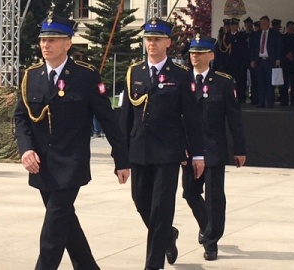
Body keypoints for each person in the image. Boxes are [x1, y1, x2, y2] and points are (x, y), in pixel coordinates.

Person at [14, 13, 130, 270]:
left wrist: (121, 159)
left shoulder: (85, 76)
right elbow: (21, 119)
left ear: (68, 43)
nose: (46, 45)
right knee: (66, 223)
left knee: (53, 228)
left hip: (71, 164)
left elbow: (108, 120)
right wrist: (26, 150)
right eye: (43, 40)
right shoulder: (31, 76)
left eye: (53, 40)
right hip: (41, 163)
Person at [119, 18, 205, 270]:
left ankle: (152, 265)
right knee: (140, 201)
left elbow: (191, 118)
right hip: (138, 150)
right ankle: (168, 235)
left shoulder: (180, 75)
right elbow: (125, 118)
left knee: (161, 209)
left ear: (168, 42)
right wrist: (121, 157)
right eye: (148, 39)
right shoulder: (134, 72)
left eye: (157, 39)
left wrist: (198, 154)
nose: (151, 44)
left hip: (168, 152)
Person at [182, 33, 246, 261]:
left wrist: (240, 148)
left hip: (214, 148)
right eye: (192, 53)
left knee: (214, 197)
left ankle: (211, 241)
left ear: (211, 55)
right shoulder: (182, 79)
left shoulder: (223, 82)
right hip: (189, 149)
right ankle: (206, 225)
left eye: (200, 53)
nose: (195, 57)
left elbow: (234, 119)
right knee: (189, 192)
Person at [249, 16, 282, 108]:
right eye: (261, 23)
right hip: (259, 61)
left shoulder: (274, 33)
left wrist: (278, 59)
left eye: (264, 23)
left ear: (268, 23)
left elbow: (279, 46)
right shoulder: (256, 34)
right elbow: (253, 48)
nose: (262, 25)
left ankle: (270, 102)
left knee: (269, 82)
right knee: (260, 82)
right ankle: (261, 102)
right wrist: (252, 59)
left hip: (269, 61)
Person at [224, 18, 249, 104]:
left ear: (237, 26)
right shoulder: (226, 36)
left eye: (234, 25)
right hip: (228, 63)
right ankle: (228, 98)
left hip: (239, 63)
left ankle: (241, 98)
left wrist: (243, 63)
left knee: (240, 82)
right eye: (231, 25)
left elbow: (244, 51)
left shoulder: (241, 36)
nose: (232, 27)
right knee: (228, 82)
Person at [280, 21, 294, 107]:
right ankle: (284, 101)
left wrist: (293, 55)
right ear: (287, 28)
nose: (291, 29)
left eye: (293, 28)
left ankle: (293, 101)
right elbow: (280, 48)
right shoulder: (282, 37)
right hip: (285, 63)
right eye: (290, 27)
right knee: (284, 82)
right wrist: (286, 55)